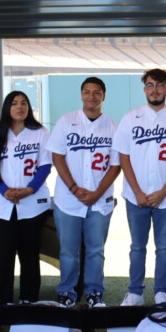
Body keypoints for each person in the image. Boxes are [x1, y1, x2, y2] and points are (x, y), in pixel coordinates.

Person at [113, 69, 166, 306]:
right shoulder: (131, 117)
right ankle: (135, 292)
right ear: (145, 89)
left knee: (164, 246)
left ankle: (160, 290)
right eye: (150, 85)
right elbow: (124, 157)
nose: (155, 90)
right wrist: (138, 191)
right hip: (135, 196)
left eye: (160, 85)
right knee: (137, 246)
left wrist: (163, 191)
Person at [47, 77, 121, 308]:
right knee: (68, 251)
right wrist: (73, 188)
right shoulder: (66, 121)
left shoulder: (112, 126)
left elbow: (116, 164)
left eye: (97, 92)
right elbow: (57, 156)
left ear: (104, 96)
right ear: (81, 95)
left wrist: (98, 192)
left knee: (96, 251)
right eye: (87, 92)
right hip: (69, 199)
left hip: (100, 200)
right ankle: (67, 292)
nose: (92, 96)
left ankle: (94, 293)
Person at [0, 91, 51, 305]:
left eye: (24, 103)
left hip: (32, 203)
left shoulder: (40, 132)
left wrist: (29, 190)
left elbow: (45, 166)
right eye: (15, 103)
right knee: (3, 255)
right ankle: (1, 301)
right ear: (7, 108)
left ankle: (28, 299)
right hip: (4, 203)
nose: (20, 107)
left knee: (29, 254)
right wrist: (4, 190)